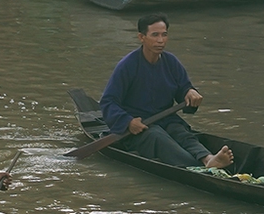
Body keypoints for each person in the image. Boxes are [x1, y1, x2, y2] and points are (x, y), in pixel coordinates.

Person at [99, 13, 234, 170]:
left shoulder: (171, 62)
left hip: (166, 120)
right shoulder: (127, 66)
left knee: (180, 132)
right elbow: (108, 102)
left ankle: (208, 159)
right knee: (158, 137)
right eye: (155, 35)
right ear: (141, 37)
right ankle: (195, 167)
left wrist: (190, 93)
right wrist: (128, 122)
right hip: (140, 126)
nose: (160, 40)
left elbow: (184, 89)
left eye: (164, 35)